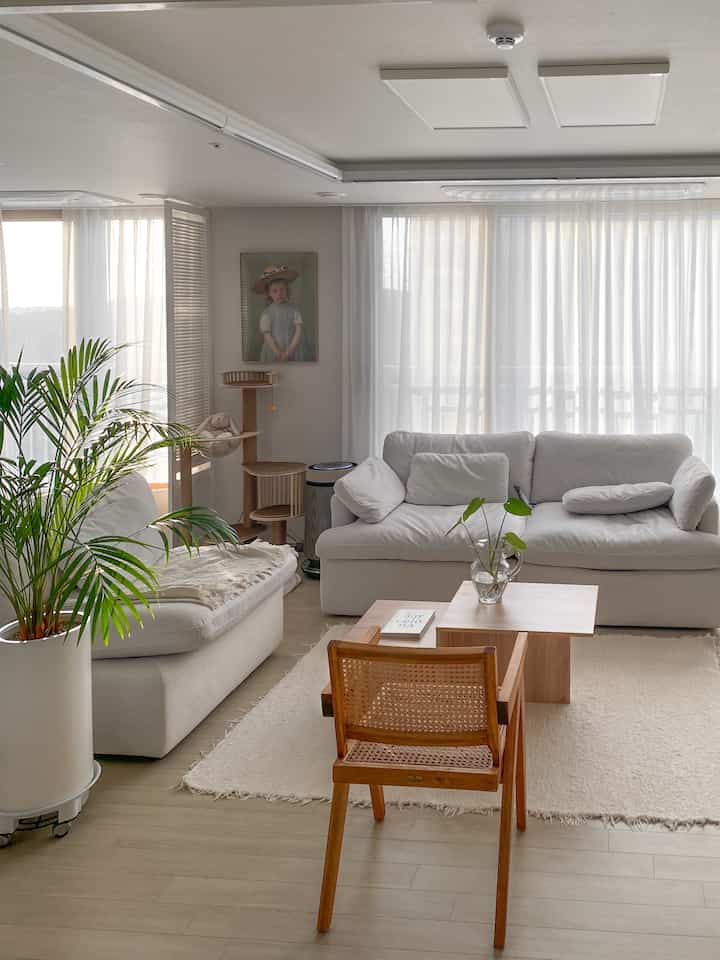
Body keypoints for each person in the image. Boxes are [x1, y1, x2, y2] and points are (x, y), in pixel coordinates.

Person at [254, 265, 312, 362]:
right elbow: (267, 335)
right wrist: (279, 353)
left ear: (287, 290)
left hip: (293, 349)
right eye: (275, 291)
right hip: (274, 350)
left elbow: (299, 330)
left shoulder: (294, 309)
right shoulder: (267, 313)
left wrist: (289, 351)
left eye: (282, 289)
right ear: (269, 293)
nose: (279, 293)